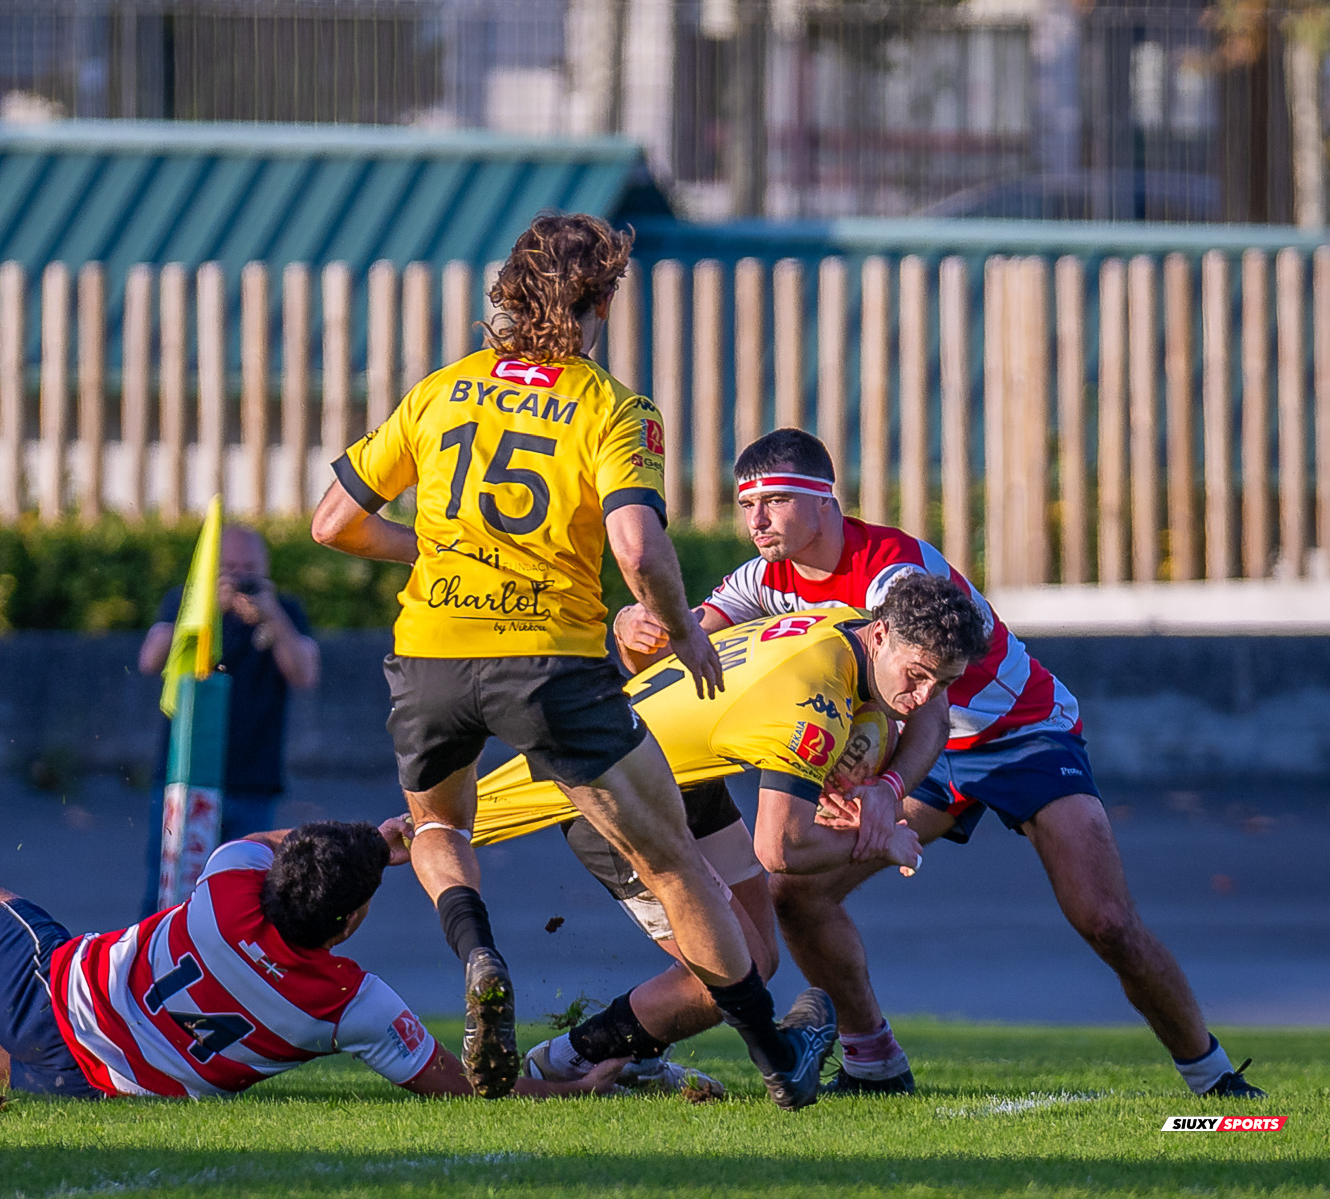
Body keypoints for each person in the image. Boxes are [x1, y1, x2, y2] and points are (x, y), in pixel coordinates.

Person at [310, 212, 835, 1109]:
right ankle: (778, 1060)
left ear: (509, 298)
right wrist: (685, 627)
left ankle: (478, 952)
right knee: (674, 862)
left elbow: (333, 522)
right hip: (550, 663)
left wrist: (442, 552)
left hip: (430, 654)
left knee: (442, 828)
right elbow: (636, 546)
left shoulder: (443, 390)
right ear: (598, 303)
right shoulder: (611, 406)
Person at [612, 427, 1265, 1100]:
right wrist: (640, 633)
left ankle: (1212, 1078)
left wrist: (887, 786)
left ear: (824, 501)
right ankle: (876, 1063)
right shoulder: (764, 576)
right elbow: (686, 642)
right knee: (796, 893)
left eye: (775, 501)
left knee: (1104, 919)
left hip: (1022, 733)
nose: (756, 520)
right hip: (933, 749)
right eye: (747, 504)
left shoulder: (895, 573)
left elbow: (929, 702)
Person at [0, 782, 626, 1100]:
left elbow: (287, 844)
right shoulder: (352, 1001)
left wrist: (381, 835)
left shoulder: (232, 871)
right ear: (354, 918)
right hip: (97, 1080)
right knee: (93, 1053)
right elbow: (459, 1089)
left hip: (49, 990)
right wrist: (585, 1080)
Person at [469, 574, 983, 1088]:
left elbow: (930, 707)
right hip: (610, 795)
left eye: (942, 682)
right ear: (880, 635)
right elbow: (780, 848)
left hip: (678, 778)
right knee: (737, 970)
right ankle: (561, 1062)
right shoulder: (814, 701)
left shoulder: (843, 620)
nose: (923, 696)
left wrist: (887, 789)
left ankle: (637, 1061)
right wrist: (877, 841)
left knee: (760, 953)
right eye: (916, 676)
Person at [137, 523, 320, 917]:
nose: (240, 578)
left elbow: (305, 674)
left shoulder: (284, 610)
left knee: (246, 895)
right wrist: (203, 614)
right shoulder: (184, 603)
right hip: (185, 779)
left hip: (253, 779)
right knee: (167, 893)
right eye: (230, 567)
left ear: (265, 568)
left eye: (249, 567)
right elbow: (150, 658)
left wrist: (270, 617)